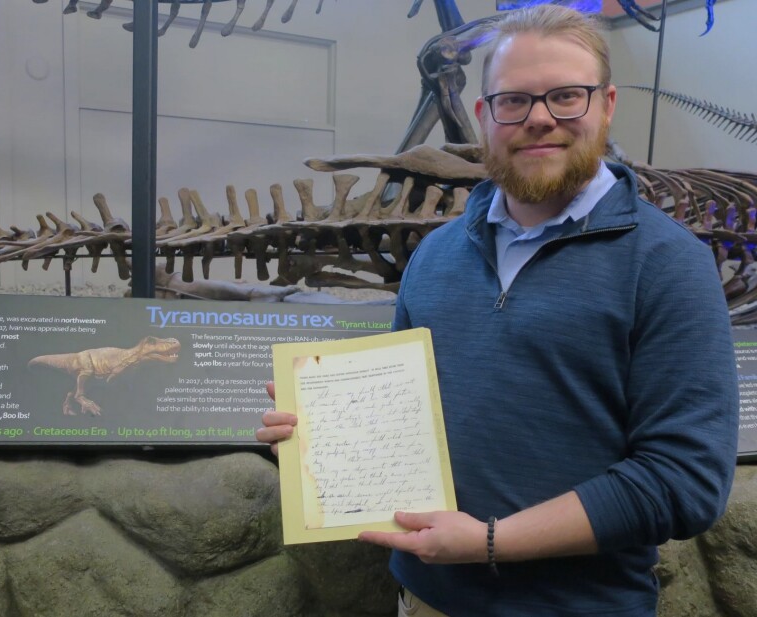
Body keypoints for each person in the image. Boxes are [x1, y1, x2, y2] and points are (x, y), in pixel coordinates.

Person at [257, 5, 739, 616]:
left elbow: (685, 482)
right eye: (514, 101)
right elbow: (401, 425)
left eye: (567, 96)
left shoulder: (668, 263)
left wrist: (489, 543)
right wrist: (318, 445)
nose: (540, 119)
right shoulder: (435, 255)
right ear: (484, 116)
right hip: (425, 601)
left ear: (607, 105)